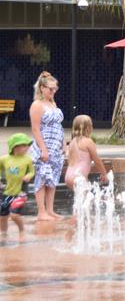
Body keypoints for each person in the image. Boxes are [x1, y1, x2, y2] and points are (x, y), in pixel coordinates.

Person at [29, 71, 65, 221]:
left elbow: (58, 125)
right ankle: (41, 211)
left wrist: (63, 144)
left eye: (55, 89)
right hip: (44, 146)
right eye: (51, 89)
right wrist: (43, 148)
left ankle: (50, 210)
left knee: (53, 178)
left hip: (56, 147)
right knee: (42, 177)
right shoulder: (37, 105)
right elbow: (36, 129)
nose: (53, 92)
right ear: (42, 88)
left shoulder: (53, 103)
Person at [0, 133, 35, 239]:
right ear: (15, 146)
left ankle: (21, 230)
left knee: (14, 215)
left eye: (28, 145)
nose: (27, 147)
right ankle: (4, 234)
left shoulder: (28, 159)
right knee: (3, 216)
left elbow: (32, 172)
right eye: (24, 145)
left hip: (21, 192)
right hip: (6, 191)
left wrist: (29, 176)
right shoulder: (4, 159)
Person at [64, 115, 108, 190]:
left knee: (81, 198)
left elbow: (69, 159)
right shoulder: (88, 142)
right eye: (91, 125)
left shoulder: (72, 142)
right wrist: (104, 173)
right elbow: (97, 160)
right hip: (78, 177)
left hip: (68, 176)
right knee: (88, 198)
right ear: (88, 128)